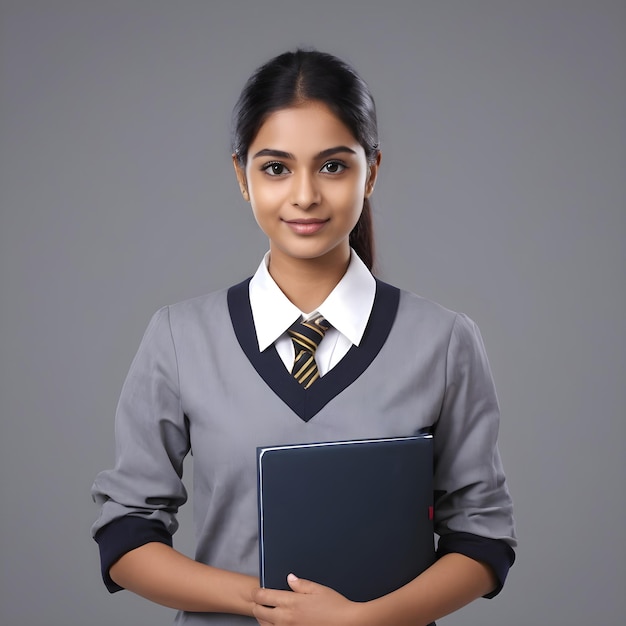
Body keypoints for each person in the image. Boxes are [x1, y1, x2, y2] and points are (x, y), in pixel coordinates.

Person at [91, 48, 516, 626]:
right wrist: (262, 601)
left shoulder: (443, 342)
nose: (305, 195)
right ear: (241, 177)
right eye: (276, 168)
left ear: (374, 170)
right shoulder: (178, 338)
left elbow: (481, 541)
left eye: (334, 166)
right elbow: (126, 532)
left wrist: (363, 620)